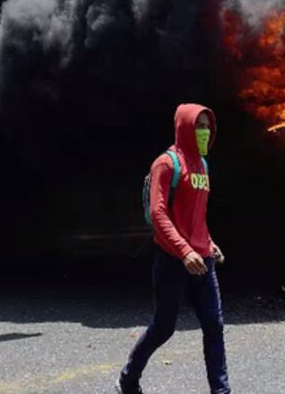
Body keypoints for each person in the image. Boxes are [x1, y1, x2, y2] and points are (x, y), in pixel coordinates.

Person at [118, 104, 230, 394]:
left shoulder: (203, 165)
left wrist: (208, 243)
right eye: (199, 126)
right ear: (184, 127)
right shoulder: (166, 164)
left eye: (208, 126)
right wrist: (184, 251)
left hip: (203, 262)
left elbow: (196, 215)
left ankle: (221, 391)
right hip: (172, 262)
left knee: (214, 326)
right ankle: (128, 380)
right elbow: (158, 214)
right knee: (164, 327)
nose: (205, 131)